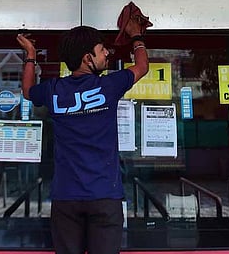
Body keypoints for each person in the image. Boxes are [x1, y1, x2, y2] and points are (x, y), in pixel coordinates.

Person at [16, 14, 149, 254]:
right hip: (104, 196)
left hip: (66, 197)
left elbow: (27, 91)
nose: (107, 53)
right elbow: (142, 67)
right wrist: (136, 36)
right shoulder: (109, 85)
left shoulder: (54, 90)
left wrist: (31, 55)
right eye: (101, 50)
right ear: (88, 58)